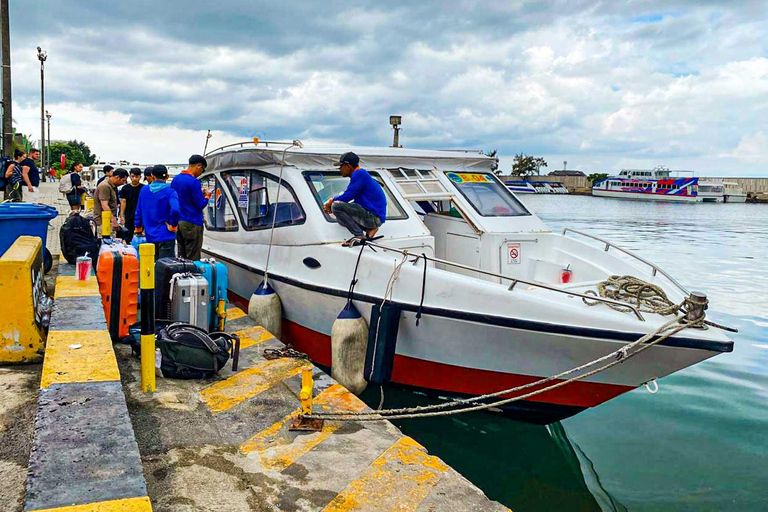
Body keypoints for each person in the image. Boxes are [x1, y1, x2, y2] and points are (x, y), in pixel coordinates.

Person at [323, 152, 386, 247]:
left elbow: (348, 196)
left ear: (348, 166)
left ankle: (359, 235)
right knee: (340, 219)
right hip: (374, 217)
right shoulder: (361, 175)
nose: (339, 169)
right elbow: (353, 201)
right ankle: (370, 229)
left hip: (374, 217)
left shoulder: (359, 174)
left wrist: (331, 202)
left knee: (336, 206)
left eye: (341, 166)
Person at [135, 165, 180, 260]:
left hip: (149, 236)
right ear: (167, 177)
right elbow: (175, 209)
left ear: (152, 176)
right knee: (165, 268)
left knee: (151, 267)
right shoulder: (171, 192)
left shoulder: (144, 190)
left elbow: (138, 211)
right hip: (166, 235)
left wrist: (138, 228)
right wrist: (173, 225)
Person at [171, 154, 209, 260]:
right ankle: (191, 275)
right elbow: (200, 204)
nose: (201, 173)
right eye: (203, 170)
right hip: (192, 223)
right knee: (193, 256)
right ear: (199, 166)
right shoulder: (194, 182)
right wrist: (207, 196)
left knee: (181, 256)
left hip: (179, 223)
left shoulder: (175, 180)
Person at [93, 168, 128, 237]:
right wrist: (113, 221)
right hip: (103, 222)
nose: (123, 183)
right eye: (123, 180)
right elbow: (104, 205)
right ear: (117, 177)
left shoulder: (112, 186)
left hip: (108, 221)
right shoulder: (105, 186)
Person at [119, 168, 144, 242]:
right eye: (133, 176)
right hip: (129, 214)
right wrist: (121, 215)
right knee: (128, 235)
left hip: (140, 215)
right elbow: (123, 202)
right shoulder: (125, 188)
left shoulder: (143, 188)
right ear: (130, 176)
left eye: (137, 177)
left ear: (140, 177)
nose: (135, 179)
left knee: (140, 235)